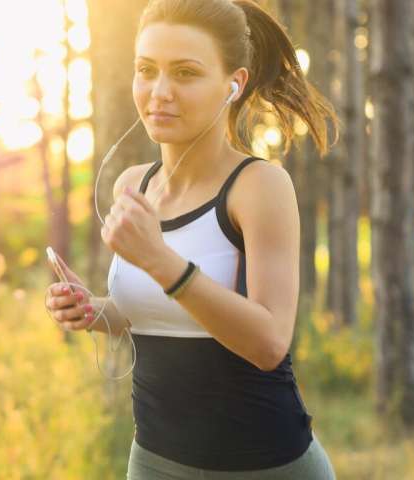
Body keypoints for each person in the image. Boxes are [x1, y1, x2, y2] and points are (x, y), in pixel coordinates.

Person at [45, 0, 339, 478]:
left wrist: (161, 261)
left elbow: (269, 343)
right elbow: (154, 314)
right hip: (156, 462)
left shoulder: (258, 186)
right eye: (147, 70)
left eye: (185, 73)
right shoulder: (133, 185)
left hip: (268, 465)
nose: (160, 92)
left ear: (234, 84)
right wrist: (94, 310)